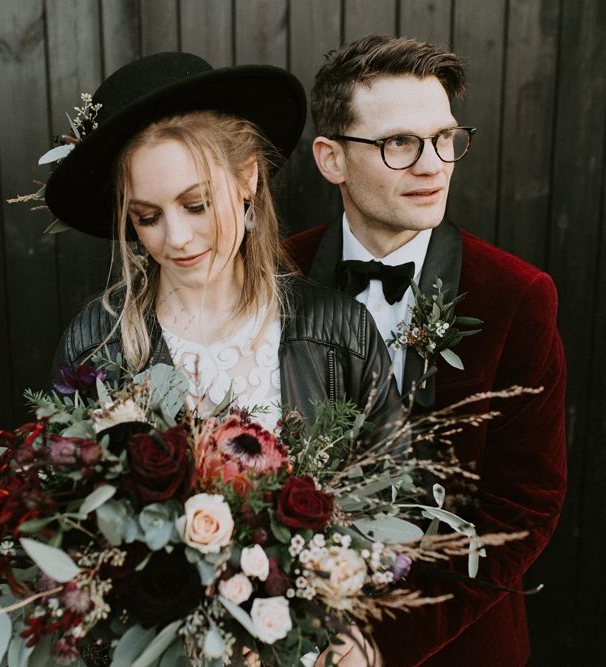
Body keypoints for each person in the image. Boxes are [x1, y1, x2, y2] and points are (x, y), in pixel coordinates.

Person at [46, 51, 398, 665]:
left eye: (197, 204)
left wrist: (351, 624)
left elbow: (390, 497)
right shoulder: (96, 346)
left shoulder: (337, 330)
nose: (174, 239)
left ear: (249, 179)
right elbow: (62, 525)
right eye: (147, 217)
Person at [285, 35, 567, 666]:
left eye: (445, 139)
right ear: (331, 159)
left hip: (459, 644)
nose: (434, 165)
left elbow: (524, 503)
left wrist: (382, 647)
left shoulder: (517, 296)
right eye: (399, 143)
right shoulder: (276, 276)